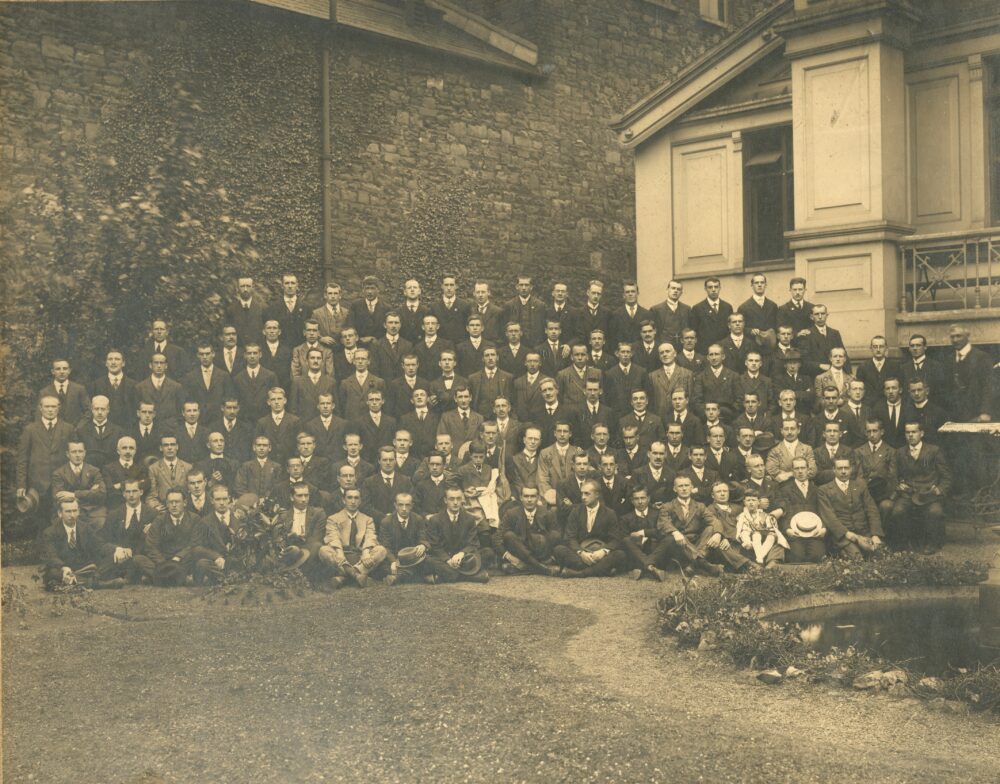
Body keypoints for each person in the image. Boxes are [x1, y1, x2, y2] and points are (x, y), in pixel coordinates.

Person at [17, 395, 76, 531]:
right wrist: (21, 484)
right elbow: (22, 459)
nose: (50, 410)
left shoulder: (68, 428)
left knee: (61, 518)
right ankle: (42, 550)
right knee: (41, 521)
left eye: (53, 406)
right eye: (47, 406)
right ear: (40, 408)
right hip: (38, 483)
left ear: (58, 408)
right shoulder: (30, 430)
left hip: (62, 482)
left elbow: (74, 455)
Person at [890, 422, 951, 554]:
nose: (911, 435)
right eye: (908, 432)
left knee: (935, 512)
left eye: (914, 432)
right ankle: (903, 544)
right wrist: (897, 484)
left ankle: (933, 543)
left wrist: (939, 489)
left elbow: (946, 476)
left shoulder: (934, 451)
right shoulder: (899, 452)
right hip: (908, 494)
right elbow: (893, 474)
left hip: (929, 495)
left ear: (921, 433)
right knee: (897, 511)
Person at [553, 479, 627, 578]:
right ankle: (603, 569)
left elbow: (615, 539)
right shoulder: (576, 511)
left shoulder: (609, 513)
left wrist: (603, 551)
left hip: (600, 553)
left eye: (587, 494)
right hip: (581, 553)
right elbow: (570, 537)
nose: (583, 497)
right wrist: (581, 553)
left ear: (597, 495)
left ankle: (580, 573)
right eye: (582, 494)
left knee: (620, 555)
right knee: (559, 550)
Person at [654, 475, 723, 576]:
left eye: (687, 485)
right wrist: (675, 532)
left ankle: (694, 564)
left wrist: (718, 534)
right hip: (679, 544)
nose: (684, 488)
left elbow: (713, 520)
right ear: (675, 489)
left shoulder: (700, 506)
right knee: (673, 537)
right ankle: (704, 564)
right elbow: (664, 523)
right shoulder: (667, 506)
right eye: (680, 486)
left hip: (697, 542)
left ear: (691, 487)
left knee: (711, 528)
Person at [319, 488, 388, 588]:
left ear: (360, 501)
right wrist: (339, 553)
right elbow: (333, 537)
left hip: (360, 558)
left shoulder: (367, 519)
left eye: (356, 498)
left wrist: (365, 553)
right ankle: (356, 576)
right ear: (343, 500)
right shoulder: (333, 518)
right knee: (323, 550)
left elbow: (370, 537)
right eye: (349, 498)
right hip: (342, 558)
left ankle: (345, 577)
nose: (353, 501)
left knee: (381, 550)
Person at [818, 458, 884, 560]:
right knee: (857, 558)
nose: (843, 471)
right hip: (843, 535)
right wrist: (847, 534)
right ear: (834, 470)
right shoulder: (824, 490)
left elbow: (871, 510)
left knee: (878, 555)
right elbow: (829, 517)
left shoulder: (860, 485)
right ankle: (841, 551)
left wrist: (875, 534)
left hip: (863, 532)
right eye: (840, 468)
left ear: (851, 469)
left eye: (846, 468)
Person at [40, 498, 112, 590]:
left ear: (78, 512)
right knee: (53, 573)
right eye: (68, 512)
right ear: (60, 513)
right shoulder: (50, 532)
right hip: (63, 568)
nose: (72, 515)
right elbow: (51, 555)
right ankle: (100, 583)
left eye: (74, 511)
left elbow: (99, 545)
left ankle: (77, 580)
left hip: (84, 567)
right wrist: (64, 568)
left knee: (109, 560)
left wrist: (116, 550)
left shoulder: (85, 528)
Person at [133, 489, 200, 586]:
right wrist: (164, 563)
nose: (174, 505)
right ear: (167, 504)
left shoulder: (194, 519)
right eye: (170, 502)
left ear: (184, 503)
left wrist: (178, 557)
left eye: (177, 502)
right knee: (138, 559)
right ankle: (177, 578)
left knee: (196, 554)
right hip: (162, 562)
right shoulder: (159, 520)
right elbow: (150, 545)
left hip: (183, 560)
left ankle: (161, 578)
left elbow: (195, 543)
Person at [426, 486, 490, 583]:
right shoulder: (435, 520)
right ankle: (471, 576)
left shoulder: (469, 519)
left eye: (458, 499)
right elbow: (435, 546)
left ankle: (446, 576)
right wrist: (448, 560)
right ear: (445, 500)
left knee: (488, 553)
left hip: (463, 558)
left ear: (462, 500)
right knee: (428, 560)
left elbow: (472, 543)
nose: (455, 502)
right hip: (444, 558)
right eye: (451, 499)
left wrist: (461, 554)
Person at [498, 486, 561, 576]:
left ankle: (527, 567)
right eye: (526, 496)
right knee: (509, 535)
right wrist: (509, 557)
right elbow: (497, 538)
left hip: (541, 553)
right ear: (521, 498)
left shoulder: (547, 513)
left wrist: (552, 556)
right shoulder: (511, 513)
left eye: (533, 496)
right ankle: (541, 568)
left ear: (538, 497)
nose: (529, 500)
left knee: (555, 534)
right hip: (520, 552)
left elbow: (558, 536)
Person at [100, 479, 153, 583]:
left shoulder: (152, 514)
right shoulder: (114, 514)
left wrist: (132, 552)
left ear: (141, 492)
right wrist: (117, 549)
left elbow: (152, 544)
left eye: (134, 491)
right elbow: (103, 540)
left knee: (141, 561)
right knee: (102, 568)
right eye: (128, 492)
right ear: (123, 494)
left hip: (140, 556)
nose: (131, 495)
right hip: (120, 557)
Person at [191, 484, 245, 584]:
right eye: (218, 499)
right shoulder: (205, 522)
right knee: (202, 564)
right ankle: (226, 578)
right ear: (212, 501)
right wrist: (216, 557)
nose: (222, 503)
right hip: (216, 563)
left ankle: (226, 577)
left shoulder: (239, 519)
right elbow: (197, 547)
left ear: (230, 499)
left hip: (234, 560)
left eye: (225, 499)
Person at [274, 482, 328, 582]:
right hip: (292, 549)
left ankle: (304, 577)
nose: (304, 499)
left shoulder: (318, 513)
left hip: (309, 547)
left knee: (317, 545)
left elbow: (317, 537)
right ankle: (290, 573)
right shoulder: (284, 516)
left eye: (306, 495)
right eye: (299, 496)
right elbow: (280, 537)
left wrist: (301, 539)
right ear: (291, 497)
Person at [777, 457, 826, 563]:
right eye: (796, 468)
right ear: (792, 471)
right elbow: (784, 513)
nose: (800, 471)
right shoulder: (785, 490)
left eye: (803, 468)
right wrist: (787, 529)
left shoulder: (818, 489)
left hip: (814, 533)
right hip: (794, 534)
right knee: (796, 557)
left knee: (817, 556)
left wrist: (823, 528)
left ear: (808, 470)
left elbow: (824, 511)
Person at [51, 441, 107, 529]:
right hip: (70, 511)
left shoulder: (94, 471)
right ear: (67, 454)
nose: (77, 455)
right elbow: (59, 497)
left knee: (101, 523)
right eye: (74, 452)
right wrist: (90, 492)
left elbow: (102, 494)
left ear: (84, 453)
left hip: (93, 511)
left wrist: (73, 494)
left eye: (80, 451)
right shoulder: (59, 473)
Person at [856, 419, 897, 524]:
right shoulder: (859, 451)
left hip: (883, 494)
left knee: (886, 506)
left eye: (875, 431)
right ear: (865, 433)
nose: (872, 434)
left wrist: (888, 495)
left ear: (882, 432)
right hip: (865, 492)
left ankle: (882, 535)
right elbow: (859, 476)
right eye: (869, 431)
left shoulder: (890, 451)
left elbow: (892, 477)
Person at [735, 488, 787, 567]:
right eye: (748, 500)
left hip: (765, 540)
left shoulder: (764, 515)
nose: (751, 503)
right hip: (750, 540)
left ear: (759, 502)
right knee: (756, 535)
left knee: (772, 536)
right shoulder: (742, 516)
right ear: (744, 502)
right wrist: (747, 541)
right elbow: (741, 531)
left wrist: (769, 531)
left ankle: (760, 558)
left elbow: (771, 528)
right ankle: (760, 559)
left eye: (754, 500)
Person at [182, 343, 235, 417]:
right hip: (199, 418)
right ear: (198, 355)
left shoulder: (223, 375)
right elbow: (187, 398)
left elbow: (228, 397)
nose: (204, 357)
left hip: (218, 417)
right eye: (202, 354)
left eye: (207, 354)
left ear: (213, 354)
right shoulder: (190, 377)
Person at [74, 396, 123, 471]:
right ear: (92, 410)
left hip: (112, 472)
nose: (99, 412)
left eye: (103, 409)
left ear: (108, 410)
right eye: (96, 409)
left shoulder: (118, 431)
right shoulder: (82, 431)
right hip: (89, 472)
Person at [90, 349, 137, 428]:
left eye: (117, 359)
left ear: (123, 363)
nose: (113, 362)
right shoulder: (96, 385)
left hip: (128, 429)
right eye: (110, 359)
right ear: (106, 363)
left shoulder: (134, 385)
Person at [255, 387, 301, 465]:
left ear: (285, 400)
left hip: (288, 464)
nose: (276, 402)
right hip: (269, 465)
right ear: (268, 402)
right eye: (273, 399)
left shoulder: (295, 421)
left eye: (279, 399)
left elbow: (298, 444)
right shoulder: (262, 422)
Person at [693, 344, 740, 422]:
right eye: (711, 355)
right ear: (708, 357)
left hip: (728, 418)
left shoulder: (733, 376)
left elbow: (739, 399)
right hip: (707, 419)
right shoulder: (701, 377)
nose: (714, 358)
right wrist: (709, 414)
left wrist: (730, 413)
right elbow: (697, 401)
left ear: (723, 356)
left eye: (717, 354)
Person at [146, 435, 192, 512]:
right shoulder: (153, 468)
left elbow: (191, 492)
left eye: (172, 444)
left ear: (177, 447)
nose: (169, 448)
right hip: (164, 510)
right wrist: (156, 507)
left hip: (184, 510)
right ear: (161, 448)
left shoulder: (188, 467)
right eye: (166, 445)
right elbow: (151, 495)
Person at [854, 336, 901, 407]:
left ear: (886, 348)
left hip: (888, 407)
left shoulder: (894, 366)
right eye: (875, 347)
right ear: (871, 348)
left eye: (881, 346)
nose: (878, 350)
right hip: (869, 407)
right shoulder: (863, 367)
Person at [690, 277, 733, 355]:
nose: (713, 290)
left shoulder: (727, 307)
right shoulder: (697, 308)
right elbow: (694, 332)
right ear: (705, 289)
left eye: (716, 287)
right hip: (705, 350)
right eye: (710, 287)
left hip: (724, 350)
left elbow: (730, 330)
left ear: (720, 288)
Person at [135, 353, 184, 420]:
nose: (159, 366)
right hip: (149, 427)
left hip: (170, 428)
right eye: (156, 363)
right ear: (150, 365)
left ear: (166, 366)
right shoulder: (140, 387)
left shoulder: (176, 387)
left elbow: (179, 411)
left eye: (162, 363)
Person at [263, 272, 308, 343]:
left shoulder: (306, 307)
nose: (290, 286)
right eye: (287, 283)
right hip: (281, 347)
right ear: (282, 286)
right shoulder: (273, 307)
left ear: (297, 285)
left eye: (292, 283)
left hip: (300, 346)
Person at [503, 274, 547, 347]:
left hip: (535, 345)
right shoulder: (509, 305)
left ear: (531, 287)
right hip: (515, 345)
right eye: (521, 285)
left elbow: (543, 327)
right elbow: (504, 327)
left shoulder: (540, 305)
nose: (524, 288)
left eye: (526, 285)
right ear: (517, 287)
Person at [737, 273, 778, 351]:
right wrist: (750, 330)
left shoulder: (773, 306)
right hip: (753, 347)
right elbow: (740, 328)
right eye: (756, 283)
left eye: (762, 283)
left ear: (766, 285)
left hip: (770, 348)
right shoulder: (744, 307)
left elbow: (776, 325)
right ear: (752, 286)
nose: (759, 285)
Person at [234, 435, 283, 500]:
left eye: (265, 445)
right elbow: (239, 487)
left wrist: (267, 499)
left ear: (269, 448)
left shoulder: (277, 467)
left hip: (270, 503)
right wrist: (252, 499)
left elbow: (279, 487)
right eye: (259, 445)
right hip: (250, 503)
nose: (261, 448)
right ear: (254, 448)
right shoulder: (245, 466)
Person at [371, 311, 413, 381]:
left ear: (400, 325)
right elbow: (374, 369)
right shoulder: (376, 345)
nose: (393, 326)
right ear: (384, 325)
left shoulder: (408, 345)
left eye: (396, 323)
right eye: (390, 322)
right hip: (384, 386)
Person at [610, 280, 654, 348]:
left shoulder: (646, 314)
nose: (630, 294)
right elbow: (612, 338)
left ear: (637, 293)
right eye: (627, 292)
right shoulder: (616, 315)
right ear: (623, 295)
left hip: (640, 354)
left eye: (633, 291)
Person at [649, 279, 690, 350]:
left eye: (678, 289)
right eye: (673, 288)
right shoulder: (656, 310)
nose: (675, 291)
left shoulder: (686, 309)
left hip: (682, 349)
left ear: (681, 292)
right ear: (667, 290)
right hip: (663, 348)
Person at [348, 275, 389, 344]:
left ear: (378, 290)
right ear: (363, 290)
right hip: (360, 345)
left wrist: (376, 340)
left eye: (372, 288)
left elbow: (388, 329)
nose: (369, 291)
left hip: (379, 345)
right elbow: (350, 326)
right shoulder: (355, 306)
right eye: (367, 288)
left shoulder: (386, 308)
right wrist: (359, 339)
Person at [226, 276, 265, 346]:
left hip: (256, 350)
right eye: (242, 286)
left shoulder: (262, 308)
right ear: (237, 288)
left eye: (248, 286)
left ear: (252, 288)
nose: (245, 289)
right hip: (238, 350)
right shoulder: (231, 310)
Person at [311, 282, 349, 348]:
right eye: (330, 293)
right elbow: (311, 330)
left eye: (335, 293)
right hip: (324, 349)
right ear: (325, 295)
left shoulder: (347, 313)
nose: (333, 296)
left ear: (340, 295)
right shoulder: (316, 313)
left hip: (343, 349)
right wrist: (321, 338)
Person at [259, 319, 293, 392]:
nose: (272, 331)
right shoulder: (259, 350)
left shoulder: (287, 350)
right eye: (269, 328)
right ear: (264, 332)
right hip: (263, 388)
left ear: (279, 332)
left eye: (274, 328)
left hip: (283, 388)